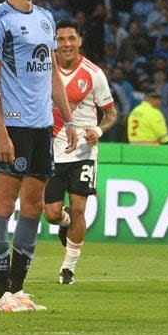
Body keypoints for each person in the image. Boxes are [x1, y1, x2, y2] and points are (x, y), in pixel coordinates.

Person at [0, 0, 78, 312]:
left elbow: (52, 74)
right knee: (4, 205)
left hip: (41, 128)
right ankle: (0, 292)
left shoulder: (46, 19)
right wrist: (1, 133)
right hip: (15, 126)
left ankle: (18, 289)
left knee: (33, 206)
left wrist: (67, 121)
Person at [43, 19, 117, 285]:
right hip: (52, 151)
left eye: (71, 38)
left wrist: (97, 131)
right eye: (61, 39)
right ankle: (65, 224)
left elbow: (110, 114)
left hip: (84, 153)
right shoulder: (44, 69)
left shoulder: (93, 74)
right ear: (55, 43)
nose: (66, 44)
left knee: (78, 209)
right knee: (51, 214)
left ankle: (68, 268)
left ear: (79, 41)